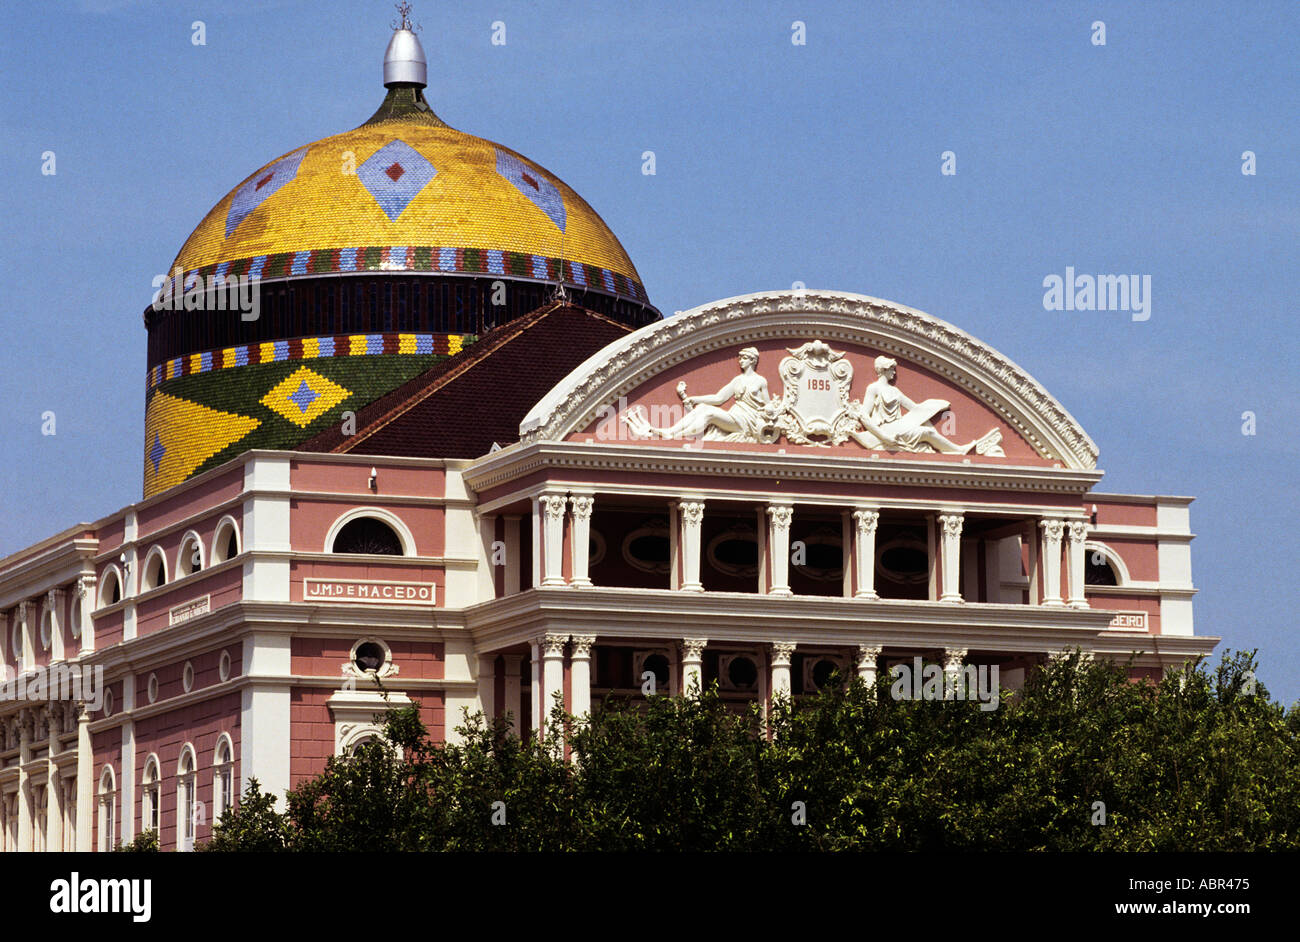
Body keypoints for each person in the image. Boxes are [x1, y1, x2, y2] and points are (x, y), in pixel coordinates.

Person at [624, 347, 774, 441]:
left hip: (747, 421)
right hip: (736, 415)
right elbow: (718, 398)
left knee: (709, 414)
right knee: (703, 407)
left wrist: (769, 410)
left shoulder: (760, 381)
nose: (741, 361)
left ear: (753, 360)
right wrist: (694, 399)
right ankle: (670, 431)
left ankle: (675, 436)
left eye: (744, 358)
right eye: (740, 358)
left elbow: (769, 405)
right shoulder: (738, 380)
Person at [849, 356, 973, 453]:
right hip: (887, 430)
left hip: (899, 426)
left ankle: (955, 449)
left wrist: (936, 406)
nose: (894, 372)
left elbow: (915, 409)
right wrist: (884, 437)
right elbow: (864, 417)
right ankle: (957, 451)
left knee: (928, 431)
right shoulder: (873, 388)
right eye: (891, 368)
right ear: (884, 370)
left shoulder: (895, 391)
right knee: (927, 433)